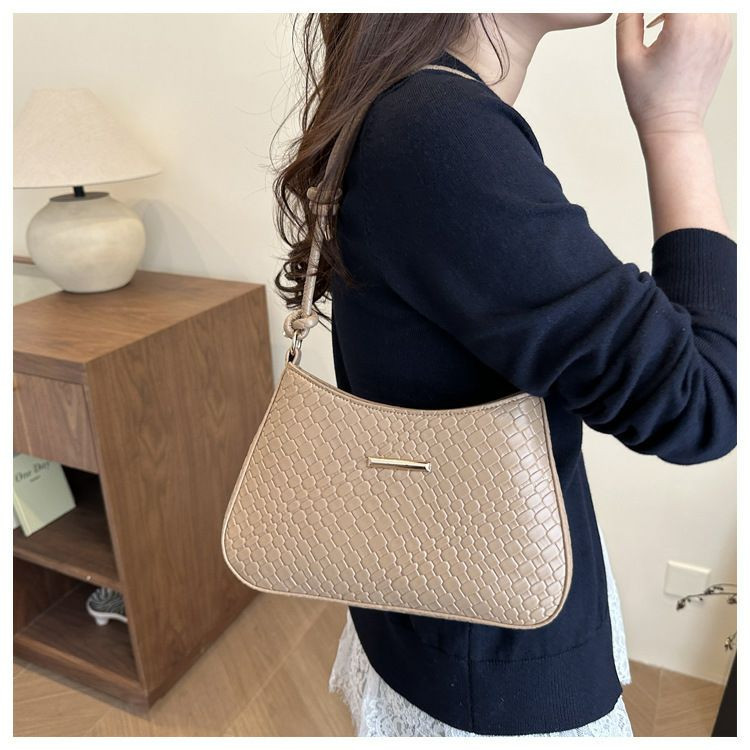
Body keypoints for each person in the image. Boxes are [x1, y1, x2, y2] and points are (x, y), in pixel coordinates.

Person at [272, 13, 736, 737]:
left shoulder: (407, 105)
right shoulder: (438, 131)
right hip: (489, 654)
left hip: (435, 606)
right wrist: (675, 124)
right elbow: (700, 405)